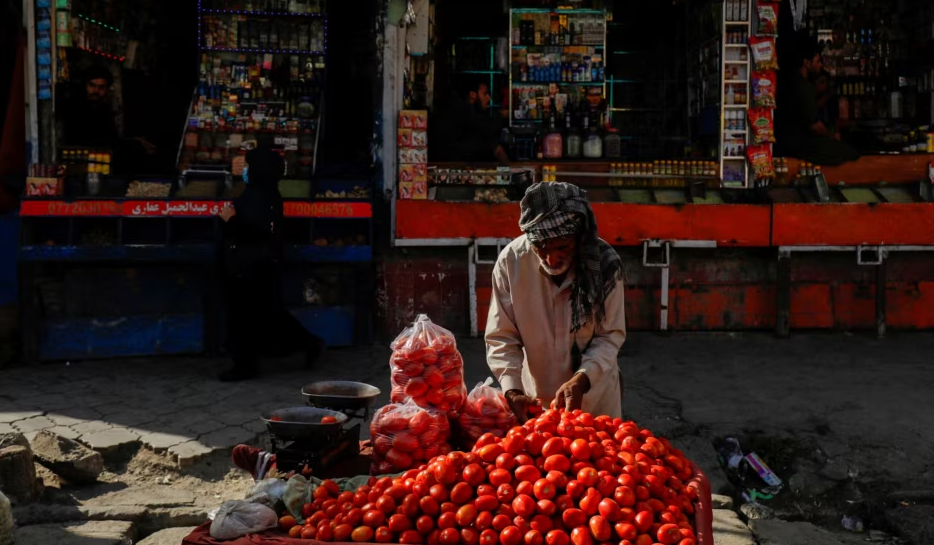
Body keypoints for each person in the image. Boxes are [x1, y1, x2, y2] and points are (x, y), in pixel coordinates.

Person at [485, 182, 626, 420]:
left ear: (579, 238)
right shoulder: (511, 262)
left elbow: (610, 336)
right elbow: (502, 335)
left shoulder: (606, 266)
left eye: (562, 247)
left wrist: (583, 379)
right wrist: (512, 390)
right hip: (536, 401)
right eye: (540, 247)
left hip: (596, 397)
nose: (550, 259)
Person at [216, 146, 324, 382]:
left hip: (250, 264)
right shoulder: (263, 192)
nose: (245, 170)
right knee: (266, 312)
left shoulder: (260, 195)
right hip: (257, 262)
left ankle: (245, 365)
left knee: (246, 314)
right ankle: (308, 344)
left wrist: (230, 219)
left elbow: (256, 231)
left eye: (248, 166)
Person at [775, 37, 858, 166]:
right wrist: (831, 137)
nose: (820, 65)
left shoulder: (795, 84)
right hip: (798, 145)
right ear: (807, 63)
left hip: (791, 143)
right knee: (848, 152)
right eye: (818, 61)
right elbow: (814, 126)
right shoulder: (805, 87)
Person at [430, 79, 509, 163]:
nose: (488, 98)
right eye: (485, 94)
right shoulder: (462, 110)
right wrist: (501, 116)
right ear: (472, 94)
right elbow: (486, 127)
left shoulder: (467, 110)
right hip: (452, 163)